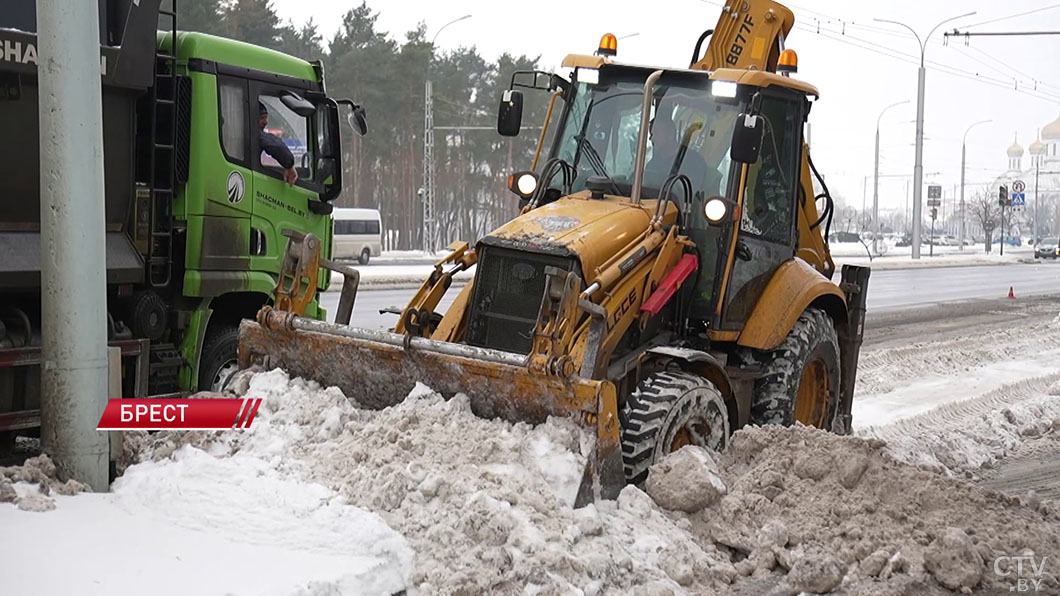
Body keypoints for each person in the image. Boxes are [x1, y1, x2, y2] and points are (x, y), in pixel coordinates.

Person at [258, 100, 298, 185]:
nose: (266, 122)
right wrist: (289, 165)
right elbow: (276, 146)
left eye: (266, 118)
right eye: (262, 118)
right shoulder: (253, 134)